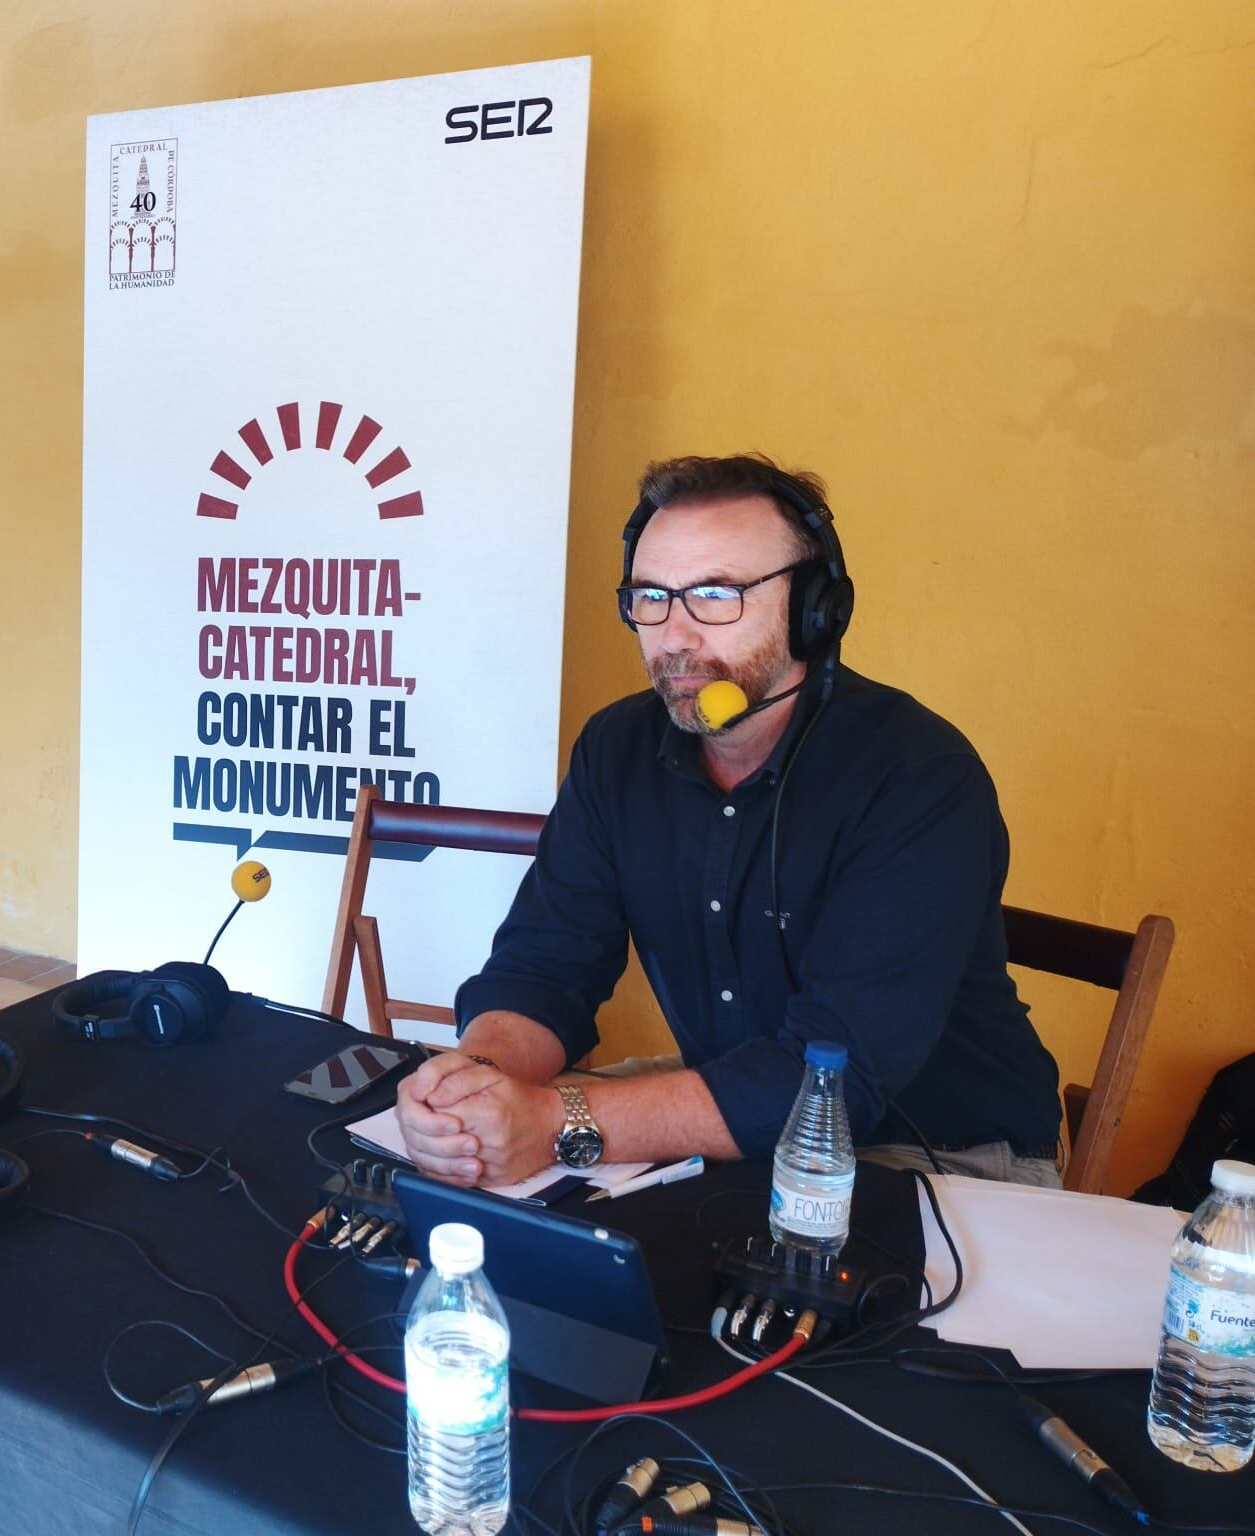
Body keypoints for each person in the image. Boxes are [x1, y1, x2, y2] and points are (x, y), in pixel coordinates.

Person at [396, 454, 1061, 1191]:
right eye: (651, 596)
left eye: (716, 594)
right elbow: (545, 963)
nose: (674, 635)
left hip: (934, 1150)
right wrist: (475, 1086)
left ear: (815, 608)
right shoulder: (619, 749)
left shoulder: (917, 776)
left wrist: (556, 1122)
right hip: (731, 1108)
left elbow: (836, 1076)